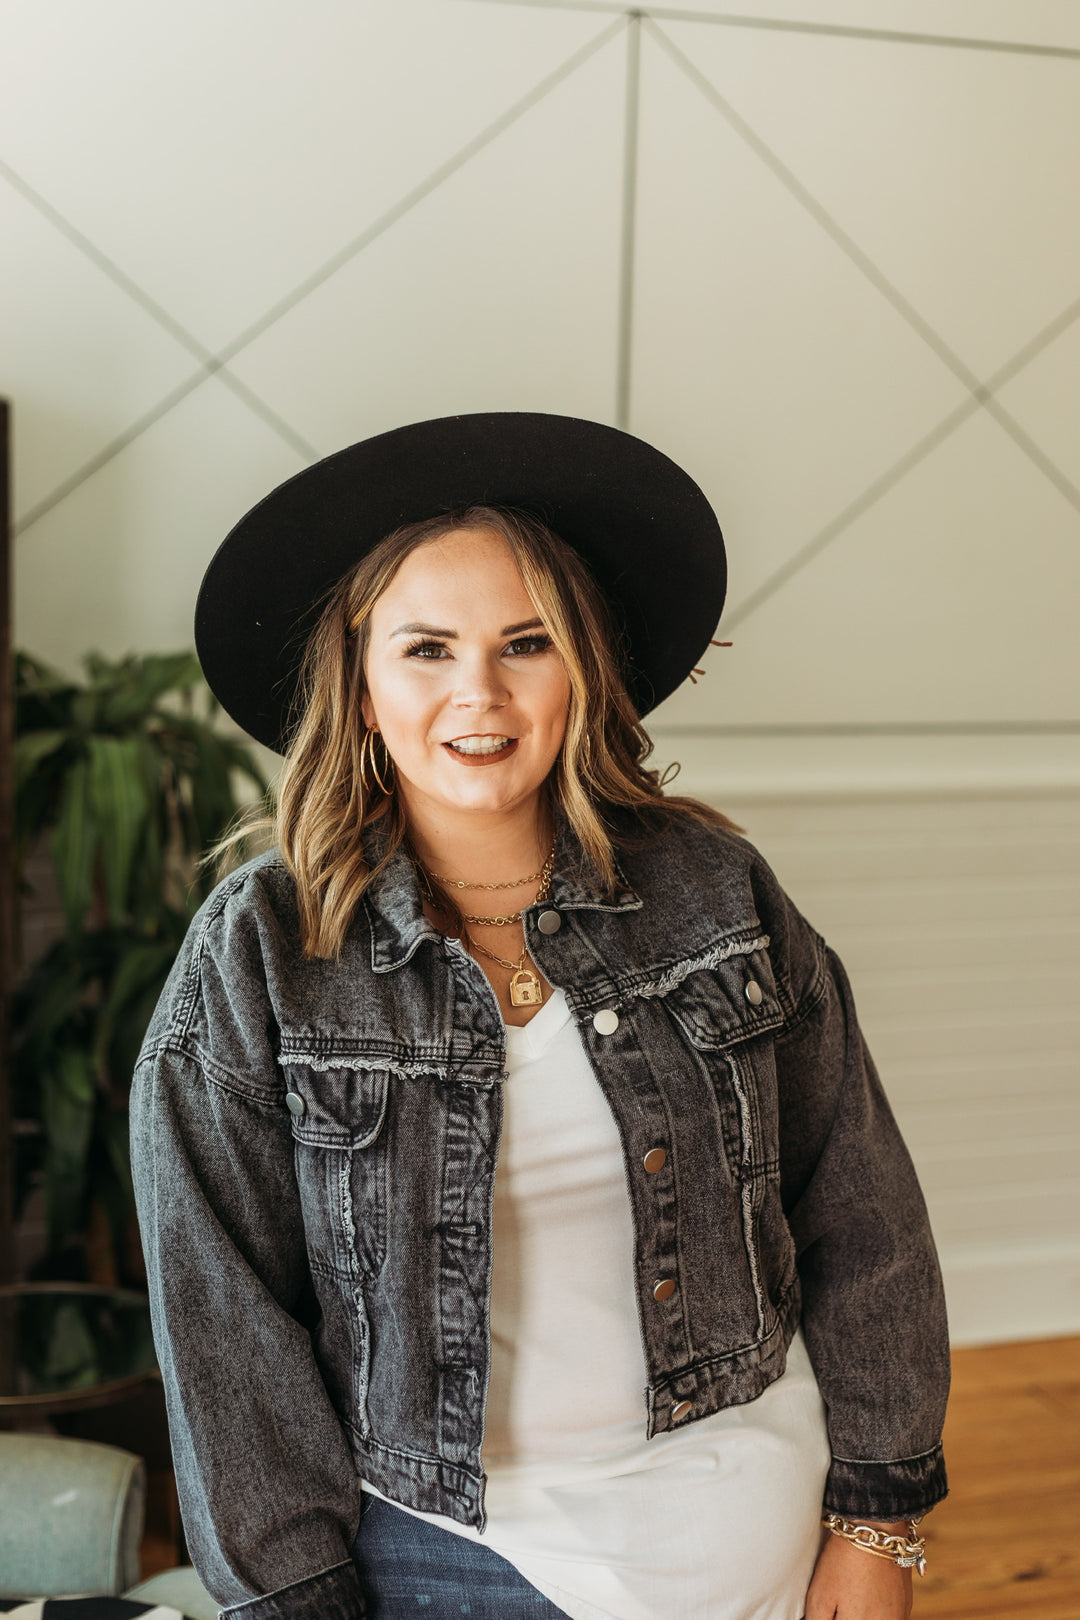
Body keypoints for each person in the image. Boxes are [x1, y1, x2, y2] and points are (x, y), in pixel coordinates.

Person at [130, 413, 949, 1620]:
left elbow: (862, 1209)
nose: (481, 694)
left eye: (527, 642)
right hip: (447, 1556)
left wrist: (880, 1525)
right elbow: (221, 1321)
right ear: (358, 686)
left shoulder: (719, 894)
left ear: (584, 669)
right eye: (425, 649)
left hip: (754, 1523)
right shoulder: (259, 952)